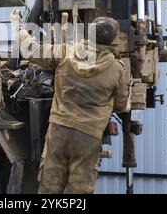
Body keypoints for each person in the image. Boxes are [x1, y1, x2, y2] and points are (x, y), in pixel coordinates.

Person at [10, 11, 130, 194]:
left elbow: (31, 50)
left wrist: (17, 26)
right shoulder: (117, 69)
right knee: (79, 190)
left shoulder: (67, 52)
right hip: (88, 136)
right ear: (113, 41)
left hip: (59, 130)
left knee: (49, 186)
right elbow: (121, 106)